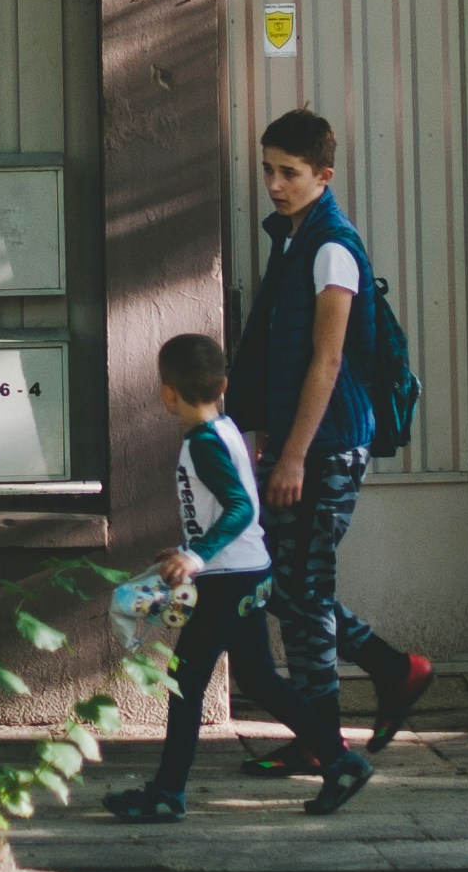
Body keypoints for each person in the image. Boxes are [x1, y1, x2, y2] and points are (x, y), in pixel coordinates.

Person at [231, 108, 436, 776]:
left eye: (288, 173)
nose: (274, 184)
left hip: (329, 446)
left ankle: (324, 736)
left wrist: (292, 454)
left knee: (303, 591)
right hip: (301, 443)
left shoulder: (331, 248)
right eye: (267, 169)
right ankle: (391, 668)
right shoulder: (292, 242)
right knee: (290, 590)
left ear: (324, 175)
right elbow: (281, 360)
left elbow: (325, 361)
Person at [104, 334, 376, 821]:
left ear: (166, 393)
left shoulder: (204, 443)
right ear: (223, 386)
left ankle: (167, 794)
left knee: (185, 682)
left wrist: (197, 557)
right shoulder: (226, 428)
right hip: (249, 571)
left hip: (227, 579)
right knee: (260, 677)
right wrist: (190, 550)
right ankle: (340, 762)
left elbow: (239, 507)